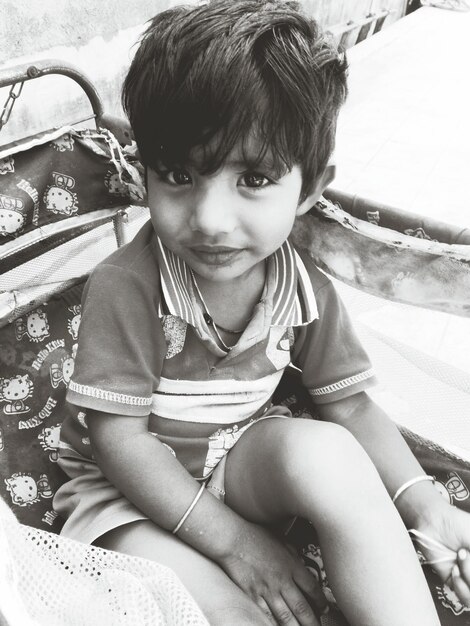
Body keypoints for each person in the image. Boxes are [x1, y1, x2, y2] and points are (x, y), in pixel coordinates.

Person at [54, 1, 470, 624]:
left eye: (253, 178)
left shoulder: (303, 290)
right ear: (145, 176)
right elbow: (120, 445)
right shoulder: (127, 286)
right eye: (177, 174)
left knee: (330, 452)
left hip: (232, 457)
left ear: (309, 189)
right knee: (230, 612)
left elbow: (349, 404)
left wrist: (421, 499)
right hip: (127, 497)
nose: (211, 220)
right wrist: (237, 544)